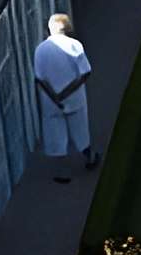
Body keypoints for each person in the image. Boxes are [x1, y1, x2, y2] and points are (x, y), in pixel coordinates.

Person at [32, 11, 97, 184]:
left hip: (51, 102)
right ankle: (90, 159)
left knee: (56, 136)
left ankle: (62, 173)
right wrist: (65, 93)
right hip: (74, 99)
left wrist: (55, 96)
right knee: (81, 131)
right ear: (67, 28)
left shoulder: (40, 49)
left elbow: (39, 78)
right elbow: (85, 73)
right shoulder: (74, 45)